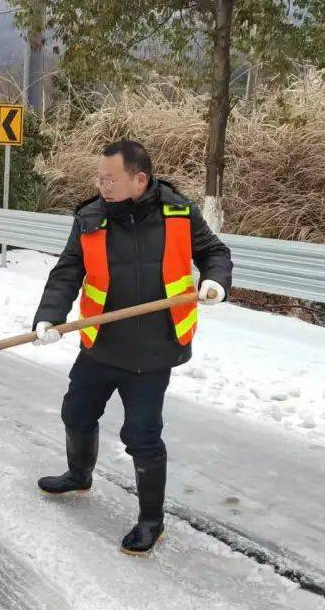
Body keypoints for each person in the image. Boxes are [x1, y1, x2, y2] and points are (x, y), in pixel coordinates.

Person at [30, 140, 232, 556]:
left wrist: (215, 281)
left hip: (154, 349)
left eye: (110, 179)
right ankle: (79, 474)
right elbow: (69, 269)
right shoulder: (89, 218)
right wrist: (49, 315)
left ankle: (151, 521)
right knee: (76, 413)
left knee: (141, 435)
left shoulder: (178, 213)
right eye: (98, 177)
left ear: (139, 179)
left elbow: (215, 252)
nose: (101, 185)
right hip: (100, 343)